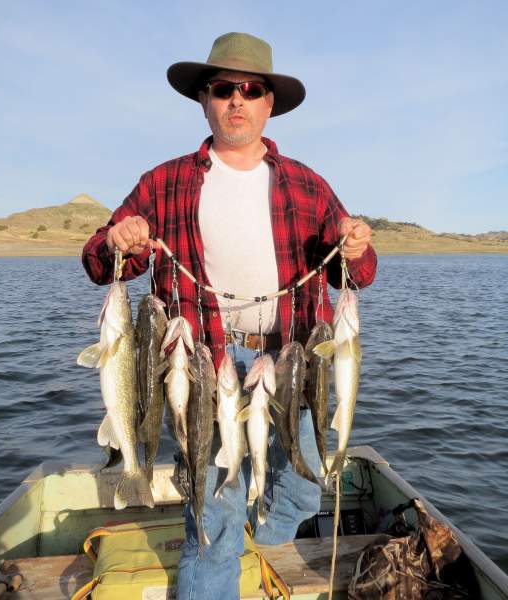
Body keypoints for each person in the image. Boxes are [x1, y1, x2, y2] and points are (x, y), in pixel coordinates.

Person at [82, 32, 376, 600]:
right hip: (202, 364)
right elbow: (100, 260)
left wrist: (357, 245)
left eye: (251, 89)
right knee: (212, 525)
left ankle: (241, 531)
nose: (236, 99)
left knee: (302, 491)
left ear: (269, 104)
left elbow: (356, 275)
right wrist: (121, 237)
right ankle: (215, 545)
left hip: (286, 362)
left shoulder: (308, 186)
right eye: (223, 89)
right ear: (204, 100)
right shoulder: (164, 182)